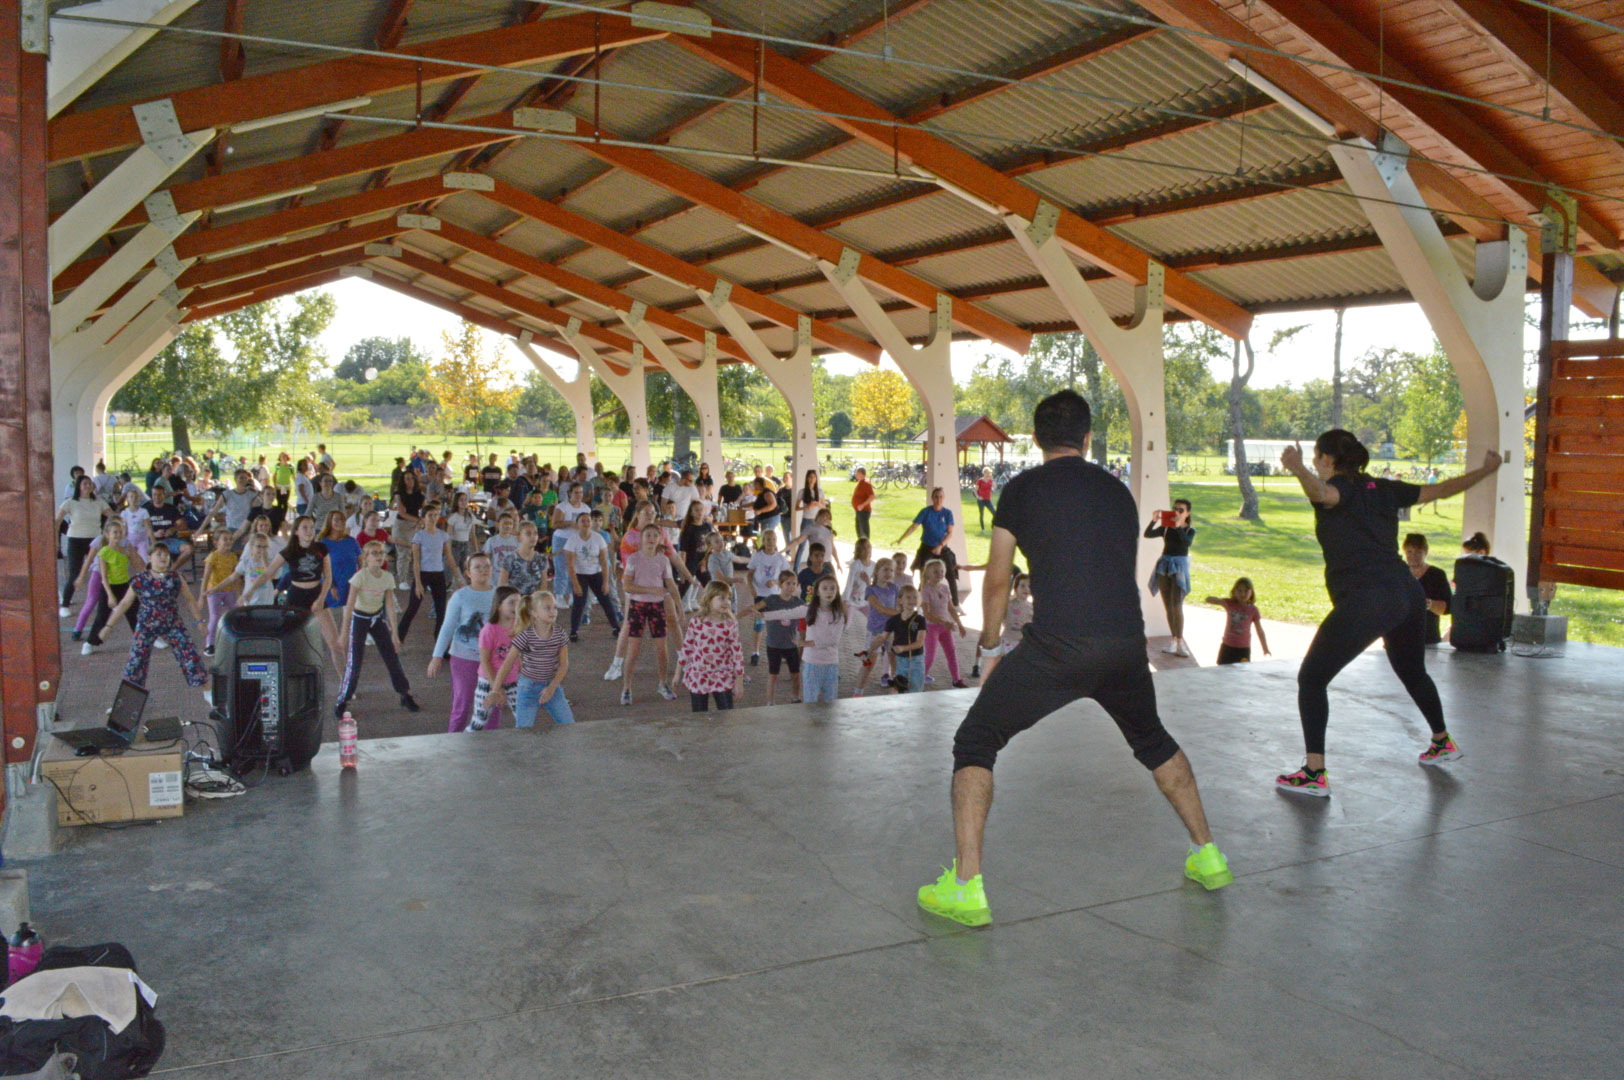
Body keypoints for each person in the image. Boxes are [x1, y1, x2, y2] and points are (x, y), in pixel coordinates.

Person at [918, 390, 1232, 929]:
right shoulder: (1118, 492)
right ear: (1087, 438)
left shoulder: (1021, 490)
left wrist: (989, 649)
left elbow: (998, 578)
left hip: (1058, 649)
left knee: (975, 741)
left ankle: (966, 888)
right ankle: (1208, 854)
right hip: (1125, 646)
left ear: (1038, 438)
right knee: (1153, 740)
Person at [1274, 433, 1503, 796]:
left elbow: (1322, 494)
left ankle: (1314, 773)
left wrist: (1296, 467)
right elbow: (1441, 490)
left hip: (1371, 599)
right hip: (1409, 595)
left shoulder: (1338, 488)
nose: (1315, 464)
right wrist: (1486, 471)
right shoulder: (1382, 488)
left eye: (1317, 458)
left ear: (1328, 460)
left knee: (1312, 678)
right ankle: (1442, 741)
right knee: (1412, 671)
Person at [105, 545, 210, 698]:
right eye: (159, 554)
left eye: (166, 555)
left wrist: (199, 621)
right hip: (146, 625)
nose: (163, 558)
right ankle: (128, 701)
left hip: (172, 623)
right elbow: (125, 603)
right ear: (150, 557)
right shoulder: (140, 579)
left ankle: (208, 693)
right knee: (136, 662)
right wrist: (109, 626)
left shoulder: (176, 577)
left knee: (189, 654)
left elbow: (189, 599)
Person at [245, 515, 343, 671]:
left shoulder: (321, 548)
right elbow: (268, 573)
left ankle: (345, 681)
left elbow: (328, 576)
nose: (309, 531)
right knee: (290, 641)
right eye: (305, 528)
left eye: (311, 527)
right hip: (296, 596)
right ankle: (288, 674)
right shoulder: (289, 551)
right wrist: (249, 591)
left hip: (316, 594)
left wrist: (321, 599)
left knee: (335, 644)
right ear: (296, 531)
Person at [334, 540, 418, 719]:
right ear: (366, 558)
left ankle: (405, 694)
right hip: (359, 619)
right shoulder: (360, 577)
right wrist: (344, 633)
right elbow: (349, 606)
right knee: (355, 662)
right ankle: (342, 700)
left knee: (392, 658)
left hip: (377, 619)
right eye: (374, 553)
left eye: (381, 553)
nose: (378, 556)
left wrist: (395, 633)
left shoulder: (387, 577)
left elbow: (389, 606)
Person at [428, 551, 497, 734]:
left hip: (493, 659)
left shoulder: (499, 595)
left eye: (487, 566)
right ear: (468, 573)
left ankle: (493, 744)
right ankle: (453, 741)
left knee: (493, 704)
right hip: (464, 658)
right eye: (477, 567)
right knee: (463, 704)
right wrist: (437, 656)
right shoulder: (460, 596)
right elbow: (447, 627)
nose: (483, 570)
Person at [620, 525, 683, 705]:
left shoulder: (663, 560)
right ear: (641, 539)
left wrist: (679, 607)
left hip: (657, 606)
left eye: (655, 535)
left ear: (660, 540)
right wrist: (652, 590)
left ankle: (663, 683)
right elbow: (627, 586)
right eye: (648, 535)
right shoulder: (634, 559)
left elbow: (671, 584)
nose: (651, 538)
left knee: (662, 647)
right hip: (638, 605)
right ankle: (626, 687)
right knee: (633, 648)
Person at [678, 581, 745, 713]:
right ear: (709, 599)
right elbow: (687, 647)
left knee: (727, 714)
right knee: (699, 715)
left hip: (722, 676)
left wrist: (739, 681)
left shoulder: (730, 624)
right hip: (699, 676)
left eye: (729, 599)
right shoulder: (697, 622)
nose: (726, 602)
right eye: (721, 598)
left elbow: (737, 654)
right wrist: (677, 672)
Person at [80, 519, 141, 656]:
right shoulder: (104, 552)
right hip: (110, 587)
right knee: (102, 616)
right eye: (115, 532)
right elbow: (104, 576)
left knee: (135, 612)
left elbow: (136, 564)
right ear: (107, 535)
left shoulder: (125, 550)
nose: (118, 535)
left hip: (125, 585)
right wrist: (110, 595)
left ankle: (142, 639)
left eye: (120, 532)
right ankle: (90, 642)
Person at [1145, 500, 1195, 658]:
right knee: (1168, 605)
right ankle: (1173, 640)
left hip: (1179, 567)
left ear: (1187, 513)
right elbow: (1148, 534)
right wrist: (1154, 520)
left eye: (1181, 510)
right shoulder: (1166, 528)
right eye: (1175, 509)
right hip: (1164, 565)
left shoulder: (1189, 530)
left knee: (1176, 604)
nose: (1177, 512)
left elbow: (1186, 543)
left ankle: (1180, 642)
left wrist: (1179, 526)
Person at [897, 487, 961, 605]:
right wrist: (901, 538)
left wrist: (940, 546)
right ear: (932, 498)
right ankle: (919, 602)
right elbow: (913, 527)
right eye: (936, 497)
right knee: (924, 576)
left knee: (951, 575)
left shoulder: (947, 513)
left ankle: (956, 604)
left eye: (941, 497)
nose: (938, 499)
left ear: (943, 498)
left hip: (942, 548)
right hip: (927, 548)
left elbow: (950, 533)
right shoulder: (925, 512)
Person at [471, 586, 521, 732]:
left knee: (523, 716)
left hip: (512, 679)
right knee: (479, 721)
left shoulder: (517, 626)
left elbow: (517, 652)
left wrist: (521, 669)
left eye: (519, 602)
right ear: (499, 606)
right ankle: (469, 742)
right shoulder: (489, 630)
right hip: (488, 681)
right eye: (511, 602)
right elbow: (485, 661)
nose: (516, 606)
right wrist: (496, 689)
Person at [565, 512, 621, 641]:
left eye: (588, 521)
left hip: (596, 573)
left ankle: (616, 628)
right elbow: (570, 565)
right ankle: (574, 631)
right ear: (577, 524)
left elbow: (604, 562)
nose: (586, 523)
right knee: (579, 603)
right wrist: (575, 584)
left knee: (605, 600)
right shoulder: (572, 540)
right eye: (583, 521)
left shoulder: (598, 538)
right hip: (580, 574)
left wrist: (606, 582)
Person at [56, 475, 107, 615]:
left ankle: (109, 601)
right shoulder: (70, 502)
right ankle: (65, 605)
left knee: (103, 571)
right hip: (76, 541)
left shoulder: (99, 502)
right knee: (74, 574)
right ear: (79, 486)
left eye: (90, 483)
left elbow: (113, 516)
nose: (88, 486)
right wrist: (55, 540)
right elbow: (57, 521)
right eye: (85, 483)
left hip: (95, 541)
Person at [400, 504, 451, 642]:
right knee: (412, 609)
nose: (433, 518)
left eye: (435, 515)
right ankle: (398, 638)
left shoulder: (443, 535)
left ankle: (440, 642)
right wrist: (418, 583)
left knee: (441, 611)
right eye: (430, 515)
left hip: (438, 574)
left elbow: (449, 557)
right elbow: (416, 561)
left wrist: (458, 576)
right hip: (423, 574)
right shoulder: (419, 536)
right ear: (423, 518)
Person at [755, 571, 806, 704]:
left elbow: (809, 613)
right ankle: (770, 702)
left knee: (796, 674)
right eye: (788, 583)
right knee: (773, 675)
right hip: (774, 645)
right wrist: (754, 612)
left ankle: (795, 697)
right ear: (780, 584)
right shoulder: (772, 600)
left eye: (794, 584)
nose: (791, 586)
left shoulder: (798, 602)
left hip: (791, 644)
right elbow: (756, 608)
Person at [919, 558, 968, 689]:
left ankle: (956, 680)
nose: (939, 574)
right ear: (928, 574)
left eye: (941, 571)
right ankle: (919, 679)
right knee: (930, 656)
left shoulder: (945, 588)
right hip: (931, 627)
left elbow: (951, 608)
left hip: (945, 627)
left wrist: (960, 624)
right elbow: (927, 614)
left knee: (951, 653)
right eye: (936, 572)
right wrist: (943, 622)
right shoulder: (925, 590)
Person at [854, 557, 900, 696]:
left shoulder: (894, 588)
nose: (889, 573)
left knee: (895, 662)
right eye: (885, 570)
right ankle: (858, 692)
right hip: (875, 631)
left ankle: (897, 689)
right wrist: (903, 613)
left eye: (891, 570)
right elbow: (881, 609)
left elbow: (899, 605)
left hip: (891, 631)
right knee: (869, 664)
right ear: (876, 571)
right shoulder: (870, 590)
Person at [800, 576, 847, 704]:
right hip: (811, 662)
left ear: (837, 591)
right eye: (825, 588)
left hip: (831, 663)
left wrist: (810, 643)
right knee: (810, 701)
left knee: (830, 702)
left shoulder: (839, 615)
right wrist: (764, 615)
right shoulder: (809, 609)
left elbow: (834, 640)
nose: (829, 591)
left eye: (832, 588)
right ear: (817, 592)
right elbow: (787, 613)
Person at [746, 530, 788, 666]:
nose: (770, 542)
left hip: (775, 595)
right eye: (768, 539)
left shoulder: (780, 558)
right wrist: (751, 588)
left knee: (776, 624)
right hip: (760, 595)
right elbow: (749, 574)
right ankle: (755, 652)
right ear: (763, 541)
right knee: (759, 624)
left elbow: (786, 576)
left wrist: (775, 582)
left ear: (776, 542)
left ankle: (779, 651)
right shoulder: (757, 557)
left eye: (773, 539)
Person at [1204, 578, 1270, 665]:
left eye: (1246, 591)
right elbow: (1210, 599)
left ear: (1251, 593)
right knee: (1222, 669)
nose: (1242, 594)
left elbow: (1259, 630)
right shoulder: (1229, 604)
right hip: (1227, 646)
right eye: (1239, 590)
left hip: (1243, 649)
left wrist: (1265, 648)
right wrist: (1216, 600)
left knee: (1242, 670)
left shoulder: (1253, 610)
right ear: (1234, 591)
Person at [1402, 533, 1452, 645]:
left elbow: (1447, 608)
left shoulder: (1437, 575)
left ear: (1425, 552)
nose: (1413, 556)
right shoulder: (1399, 573)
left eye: (1418, 552)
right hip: (1400, 637)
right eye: (1409, 552)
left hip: (1428, 638)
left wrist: (1428, 604)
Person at [199, 530, 239, 655]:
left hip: (229, 590)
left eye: (230, 539)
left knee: (235, 612)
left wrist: (239, 595)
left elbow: (236, 577)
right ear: (217, 542)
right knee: (215, 616)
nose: (228, 542)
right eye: (225, 539)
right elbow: (206, 576)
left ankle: (235, 639)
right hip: (214, 591)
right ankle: (209, 644)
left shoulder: (233, 557)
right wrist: (202, 596)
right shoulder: (213, 556)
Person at [881, 584, 926, 694]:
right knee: (900, 690)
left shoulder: (920, 619)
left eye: (915, 597)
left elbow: (920, 643)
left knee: (916, 690)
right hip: (900, 661)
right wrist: (869, 650)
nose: (912, 600)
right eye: (908, 597)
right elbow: (882, 637)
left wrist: (902, 648)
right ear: (900, 601)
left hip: (916, 660)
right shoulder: (894, 620)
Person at [391, 470, 425, 587]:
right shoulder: (399, 494)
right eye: (407, 479)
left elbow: (425, 508)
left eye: (412, 478)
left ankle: (421, 578)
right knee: (404, 554)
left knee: (417, 552)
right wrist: (419, 520)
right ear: (403, 481)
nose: (410, 481)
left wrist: (423, 519)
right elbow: (402, 513)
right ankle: (402, 580)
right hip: (402, 526)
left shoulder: (419, 494)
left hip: (415, 525)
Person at [498, 521, 548, 597]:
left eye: (535, 533)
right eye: (528, 534)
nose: (533, 537)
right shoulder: (510, 559)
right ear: (519, 537)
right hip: (514, 601)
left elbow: (543, 586)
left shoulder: (541, 559)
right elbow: (502, 587)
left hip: (534, 601)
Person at [850, 467, 874, 541]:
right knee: (859, 530)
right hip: (858, 511)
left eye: (857, 473)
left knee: (863, 531)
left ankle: (865, 545)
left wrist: (863, 505)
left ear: (861, 473)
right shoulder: (860, 482)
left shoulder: (866, 483)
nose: (856, 475)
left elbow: (872, 496)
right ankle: (861, 545)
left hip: (864, 511)